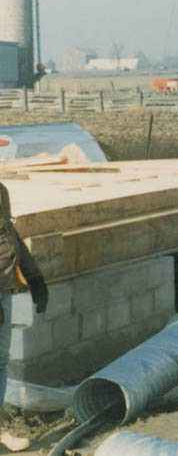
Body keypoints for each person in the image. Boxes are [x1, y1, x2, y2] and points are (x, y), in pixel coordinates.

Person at [0, 182, 48, 453]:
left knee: (0, 361)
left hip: (3, 286)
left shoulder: (0, 190)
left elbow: (9, 235)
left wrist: (34, 275)